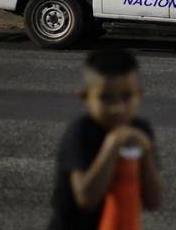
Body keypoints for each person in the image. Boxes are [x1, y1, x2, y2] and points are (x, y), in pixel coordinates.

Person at [49, 49, 162, 230]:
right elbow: (86, 198)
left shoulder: (140, 130)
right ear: (86, 97)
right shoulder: (81, 132)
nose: (117, 108)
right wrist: (112, 145)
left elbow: (153, 201)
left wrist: (147, 152)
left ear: (139, 95)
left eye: (126, 97)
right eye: (105, 98)